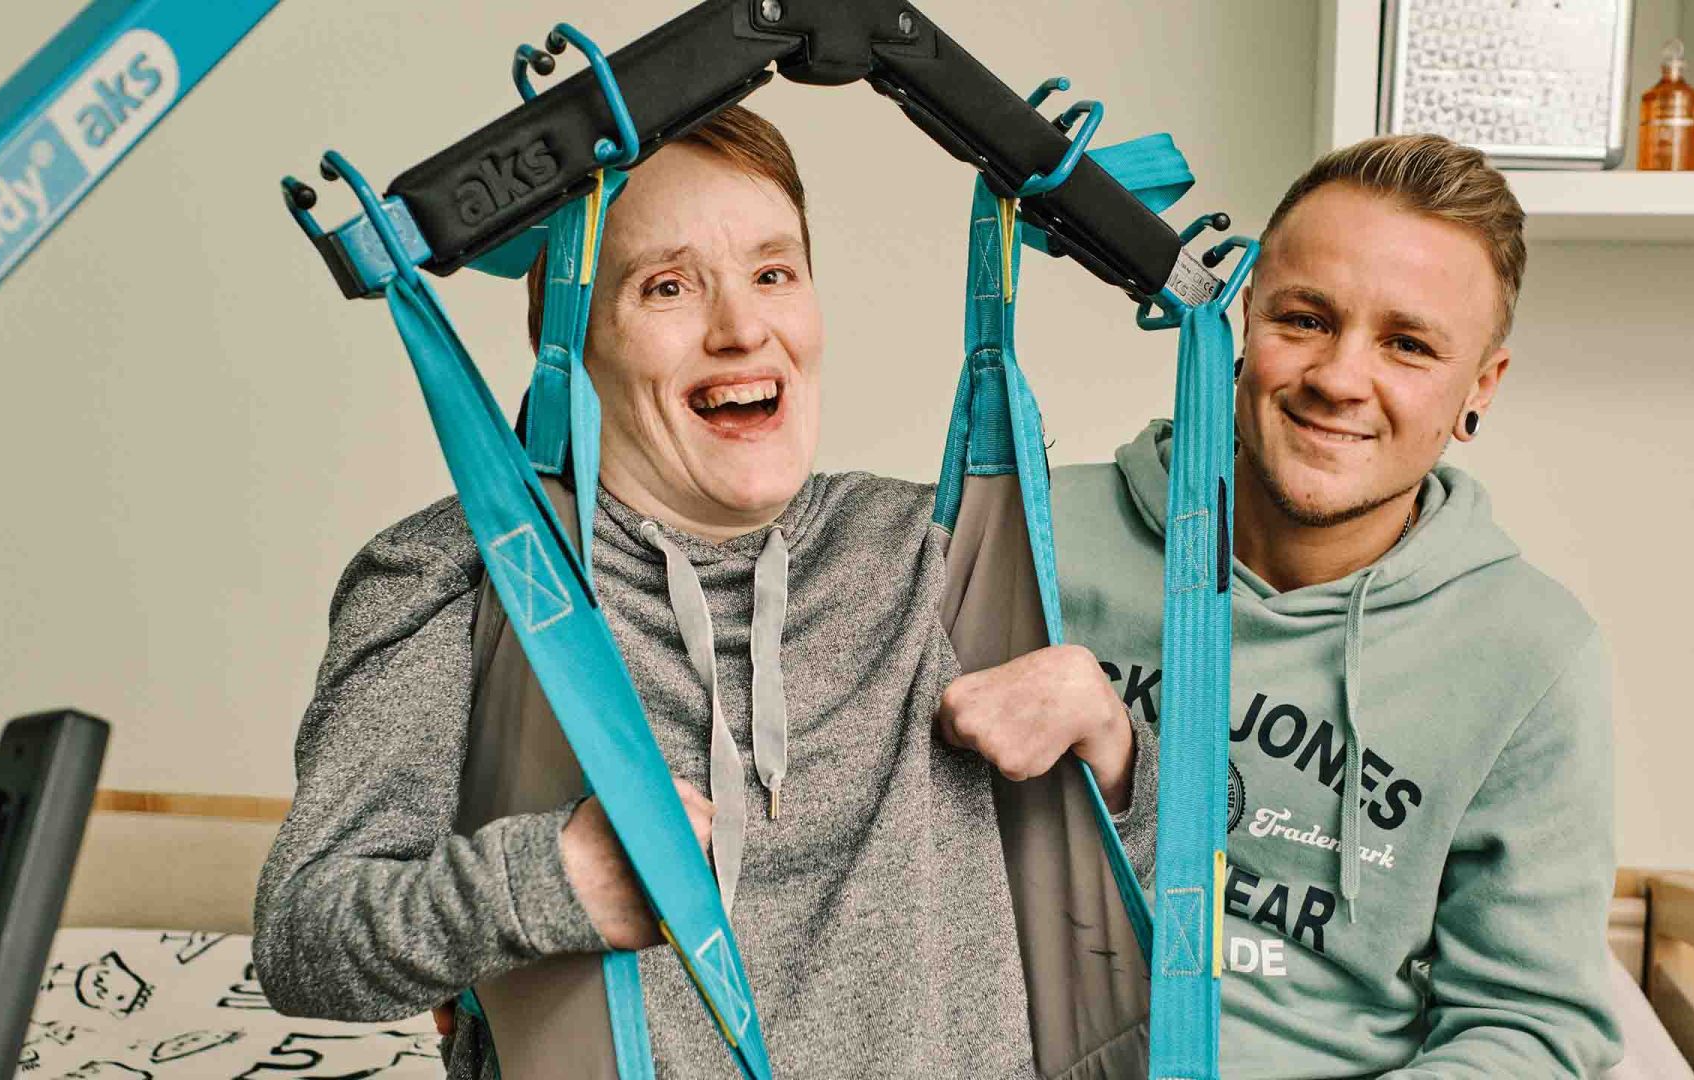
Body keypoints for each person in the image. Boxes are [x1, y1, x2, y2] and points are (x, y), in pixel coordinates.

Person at [252, 106, 1157, 1079]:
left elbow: (1192, 861)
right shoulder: (461, 575)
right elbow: (304, 940)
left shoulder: (932, 554)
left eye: (773, 274)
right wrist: (544, 883)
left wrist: (1114, 755)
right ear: (570, 338)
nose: (742, 330)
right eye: (668, 286)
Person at [1052, 133, 1622, 1077]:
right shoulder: (1038, 531)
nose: (1339, 379)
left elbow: (1531, 1026)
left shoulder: (1531, 657)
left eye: (1408, 345)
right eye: (1307, 319)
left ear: (1480, 387)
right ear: (1243, 320)